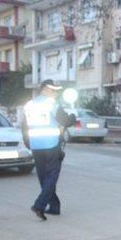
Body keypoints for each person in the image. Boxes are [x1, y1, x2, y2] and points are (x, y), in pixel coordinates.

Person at [23, 79, 75, 221]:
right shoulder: (51, 104)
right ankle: (39, 205)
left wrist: (28, 143)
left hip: (36, 145)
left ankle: (54, 206)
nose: (55, 93)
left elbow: (25, 127)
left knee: (44, 177)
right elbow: (66, 121)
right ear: (44, 89)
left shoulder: (29, 105)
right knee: (52, 176)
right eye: (53, 90)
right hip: (51, 144)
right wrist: (72, 116)